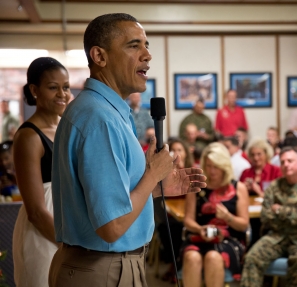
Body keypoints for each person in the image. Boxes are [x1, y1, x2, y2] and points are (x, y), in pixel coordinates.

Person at [49, 13, 206, 287]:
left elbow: (105, 200)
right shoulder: (100, 119)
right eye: (134, 46)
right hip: (102, 270)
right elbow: (112, 227)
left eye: (146, 45)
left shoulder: (106, 111)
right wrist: (152, 175)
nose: (147, 55)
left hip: (104, 266)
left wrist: (156, 189)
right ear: (100, 56)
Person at [12, 57, 71, 287]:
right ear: (34, 90)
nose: (62, 94)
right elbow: (36, 211)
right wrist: (67, 245)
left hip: (67, 230)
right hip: (44, 234)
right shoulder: (28, 137)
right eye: (53, 87)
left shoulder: (65, 127)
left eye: (65, 87)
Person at [240, 147, 297, 287]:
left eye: (290, 161)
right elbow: (266, 217)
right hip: (276, 237)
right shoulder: (274, 187)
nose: (286, 164)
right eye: (283, 162)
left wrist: (280, 210)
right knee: (252, 258)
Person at [181, 142, 249, 286]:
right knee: (191, 257)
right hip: (200, 236)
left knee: (213, 257)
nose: (212, 171)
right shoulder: (196, 186)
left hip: (228, 238)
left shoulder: (238, 187)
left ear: (224, 166)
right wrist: (200, 229)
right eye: (209, 166)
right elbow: (188, 220)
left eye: (216, 166)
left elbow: (243, 224)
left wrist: (227, 217)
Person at [157, 138, 194, 284]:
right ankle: (175, 264)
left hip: (190, 211)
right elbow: (164, 192)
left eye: (180, 150)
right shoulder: (166, 170)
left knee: (177, 229)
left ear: (186, 153)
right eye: (174, 150)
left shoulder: (193, 168)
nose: (177, 153)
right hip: (171, 213)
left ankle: (177, 266)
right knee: (166, 228)